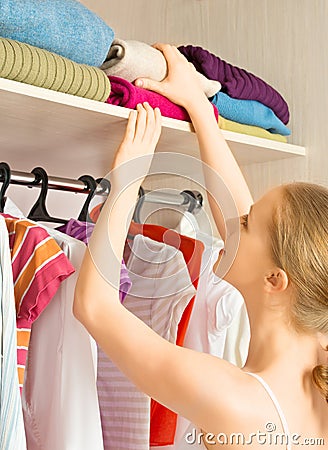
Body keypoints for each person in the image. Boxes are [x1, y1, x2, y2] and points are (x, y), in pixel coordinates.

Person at [73, 44, 328, 449]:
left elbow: (94, 307)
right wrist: (197, 105)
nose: (231, 221)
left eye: (245, 224)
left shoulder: (234, 400)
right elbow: (246, 217)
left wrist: (126, 182)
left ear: (276, 280)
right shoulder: (314, 363)